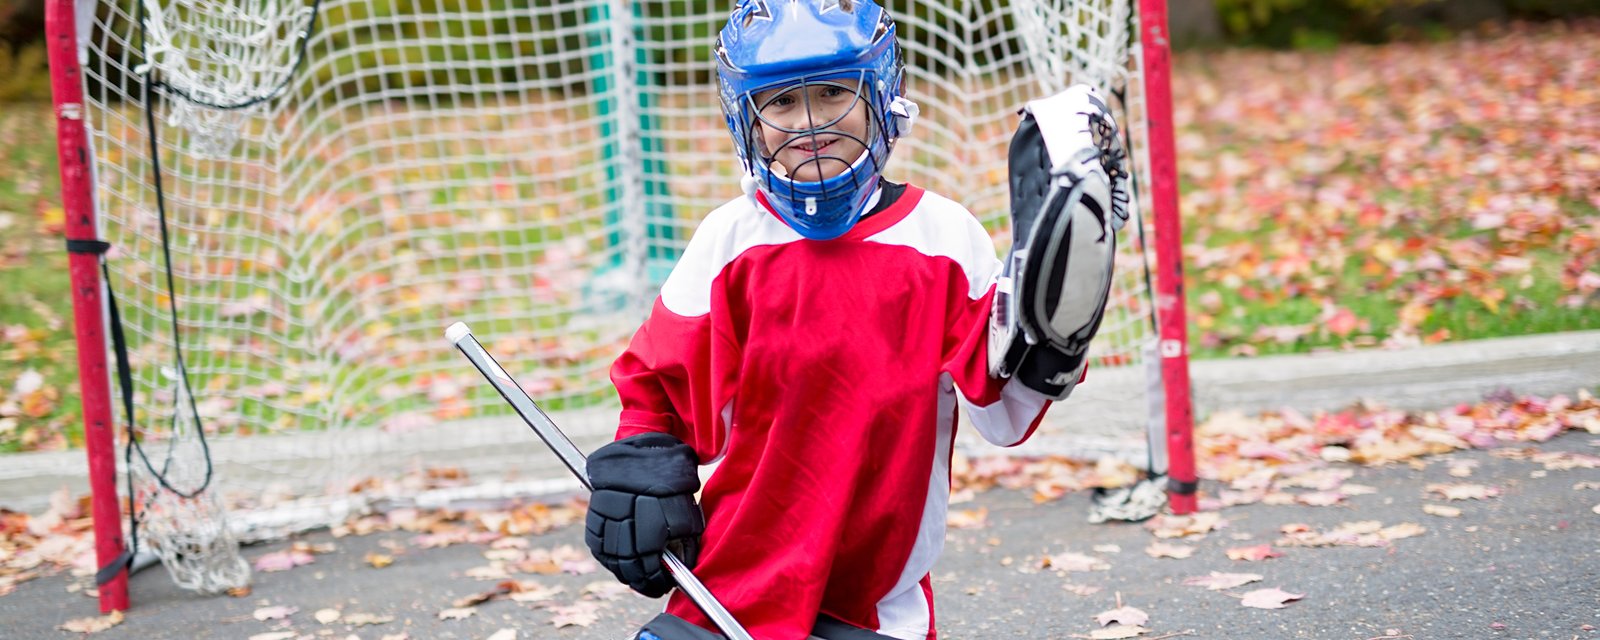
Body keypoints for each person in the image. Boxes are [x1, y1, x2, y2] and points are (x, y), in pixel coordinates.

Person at [581, 1, 1128, 638]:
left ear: (883, 96)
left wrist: (1060, 328)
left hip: (877, 608)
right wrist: (640, 472)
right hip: (732, 590)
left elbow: (1006, 409)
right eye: (781, 102)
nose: (809, 122)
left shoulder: (944, 239)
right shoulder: (730, 240)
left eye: (834, 93)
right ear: (747, 120)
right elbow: (659, 389)